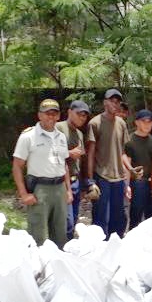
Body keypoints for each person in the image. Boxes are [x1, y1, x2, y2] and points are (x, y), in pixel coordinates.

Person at [12, 99, 73, 248]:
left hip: (59, 189)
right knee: (38, 235)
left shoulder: (61, 137)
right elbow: (17, 166)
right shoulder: (28, 136)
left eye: (54, 114)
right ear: (39, 115)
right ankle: (38, 269)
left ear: (58, 116)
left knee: (60, 233)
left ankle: (57, 268)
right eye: (47, 114)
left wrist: (68, 190)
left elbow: (64, 164)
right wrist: (24, 194)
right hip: (40, 189)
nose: (51, 117)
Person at [86, 89, 132, 238]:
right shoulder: (95, 123)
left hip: (119, 178)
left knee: (118, 218)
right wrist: (91, 180)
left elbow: (122, 152)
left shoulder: (121, 123)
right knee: (101, 218)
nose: (115, 104)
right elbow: (91, 154)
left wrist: (130, 169)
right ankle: (99, 251)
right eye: (112, 101)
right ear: (105, 102)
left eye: (118, 101)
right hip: (102, 176)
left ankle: (115, 250)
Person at [55, 99, 89, 241]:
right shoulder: (58, 127)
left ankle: (67, 251)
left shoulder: (80, 133)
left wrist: (82, 186)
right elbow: (51, 152)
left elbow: (79, 160)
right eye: (79, 114)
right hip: (61, 181)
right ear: (69, 112)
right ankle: (60, 250)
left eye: (84, 115)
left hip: (75, 181)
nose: (82, 118)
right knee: (66, 221)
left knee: (73, 219)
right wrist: (69, 153)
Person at [125, 109, 152, 229]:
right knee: (136, 215)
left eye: (150, 122)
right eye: (144, 121)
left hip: (151, 182)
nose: (147, 124)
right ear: (137, 122)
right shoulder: (129, 140)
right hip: (137, 183)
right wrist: (127, 185)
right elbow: (126, 164)